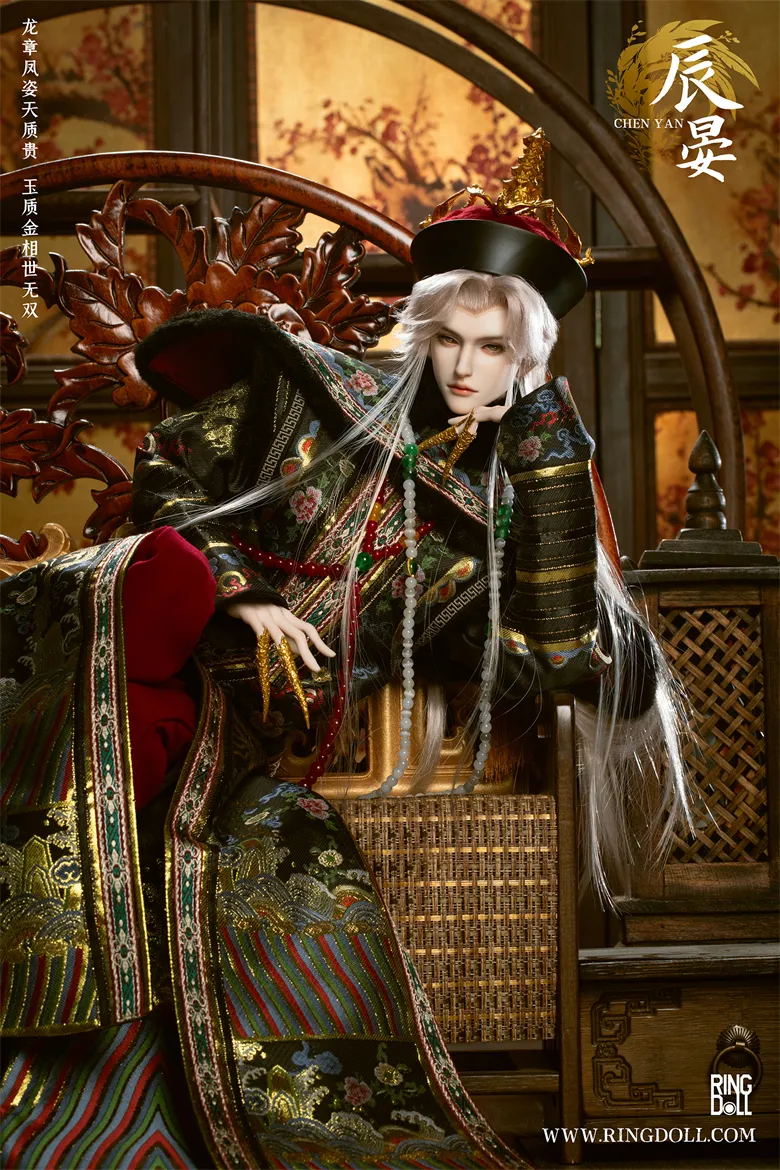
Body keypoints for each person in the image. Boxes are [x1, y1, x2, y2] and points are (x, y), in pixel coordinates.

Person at [0, 130, 690, 1169]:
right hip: (142, 629)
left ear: (528, 362)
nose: (467, 367)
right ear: (424, 331)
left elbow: (560, 657)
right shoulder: (308, 388)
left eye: (497, 350)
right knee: (161, 592)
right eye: (452, 339)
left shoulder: (481, 533)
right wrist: (242, 596)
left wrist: (549, 438)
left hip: (241, 731)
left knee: (249, 823)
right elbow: (171, 468)